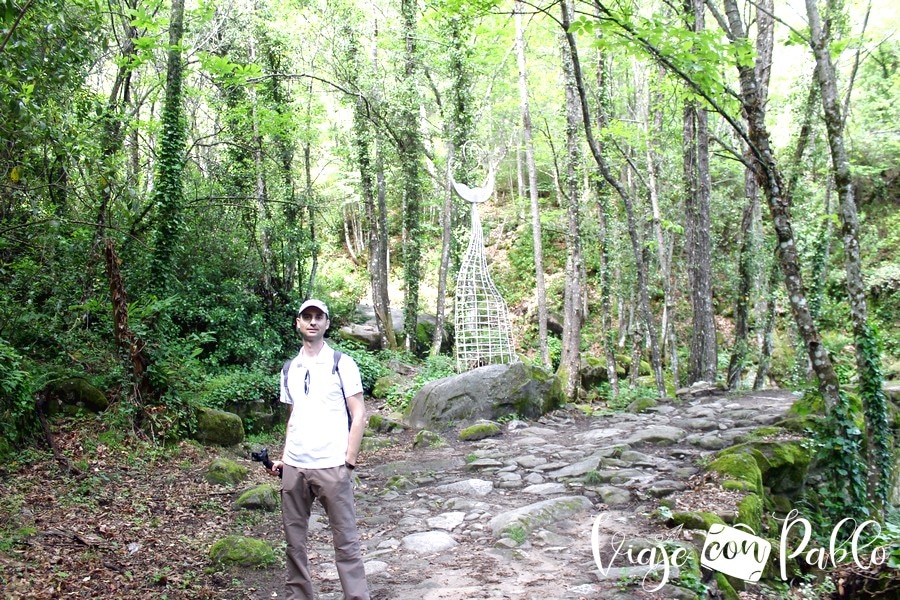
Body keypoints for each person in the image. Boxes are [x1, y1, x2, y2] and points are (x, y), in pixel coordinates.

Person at [270, 299, 370, 600]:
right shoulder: (289, 368)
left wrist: (348, 461)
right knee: (294, 543)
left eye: (318, 317)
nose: (312, 322)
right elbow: (293, 418)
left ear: (327, 324)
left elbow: (359, 413)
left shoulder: (342, 363)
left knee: (346, 541)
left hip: (332, 466)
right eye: (307, 317)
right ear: (297, 323)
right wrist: (285, 459)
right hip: (295, 467)